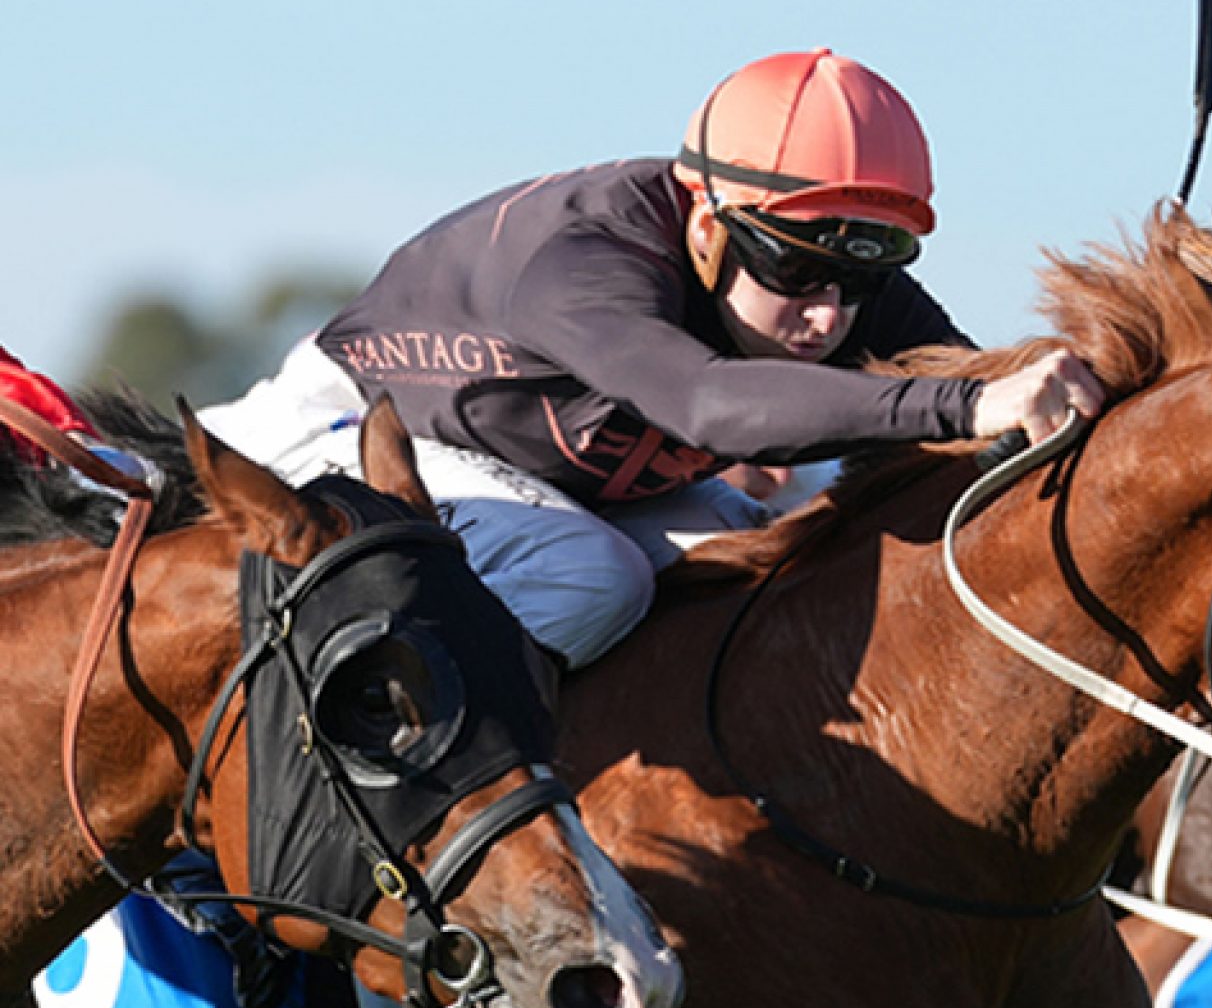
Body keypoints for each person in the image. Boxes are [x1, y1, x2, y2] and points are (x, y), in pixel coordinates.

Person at [201, 48, 1103, 671]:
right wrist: (961, 408)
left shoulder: (836, 286)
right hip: (349, 440)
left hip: (551, 484)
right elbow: (708, 406)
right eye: (795, 267)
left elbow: (984, 390)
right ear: (708, 222)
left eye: (860, 274)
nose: (828, 313)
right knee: (592, 578)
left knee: (776, 583)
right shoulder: (586, 257)